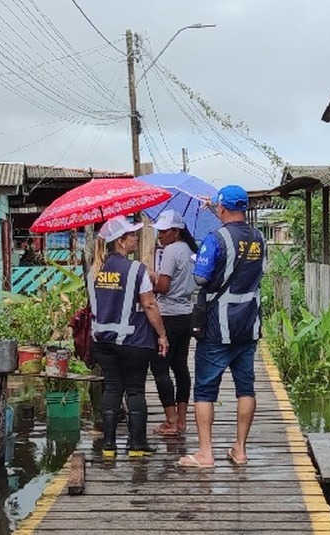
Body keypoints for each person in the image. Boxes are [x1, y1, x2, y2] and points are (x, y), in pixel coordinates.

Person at [178, 185, 265, 468]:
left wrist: (200, 264)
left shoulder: (215, 239)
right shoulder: (259, 238)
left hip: (217, 325)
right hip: (249, 323)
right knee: (246, 389)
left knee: (204, 390)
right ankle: (240, 450)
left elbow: (201, 279)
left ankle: (205, 453)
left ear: (222, 208)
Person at [87, 215, 169, 458]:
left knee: (112, 388)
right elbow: (149, 304)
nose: (135, 238)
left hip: (102, 340)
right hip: (133, 341)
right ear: (121, 242)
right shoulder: (135, 269)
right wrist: (162, 335)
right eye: (132, 235)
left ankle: (109, 445)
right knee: (135, 390)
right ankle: (136, 445)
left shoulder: (93, 269)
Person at [149, 210, 198, 435]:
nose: (160, 234)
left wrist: (153, 279)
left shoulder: (170, 251)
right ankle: (182, 420)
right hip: (186, 313)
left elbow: (164, 288)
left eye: (164, 230)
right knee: (180, 366)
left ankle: (170, 421)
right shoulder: (188, 251)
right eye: (159, 230)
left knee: (160, 367)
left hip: (168, 314)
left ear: (176, 231)